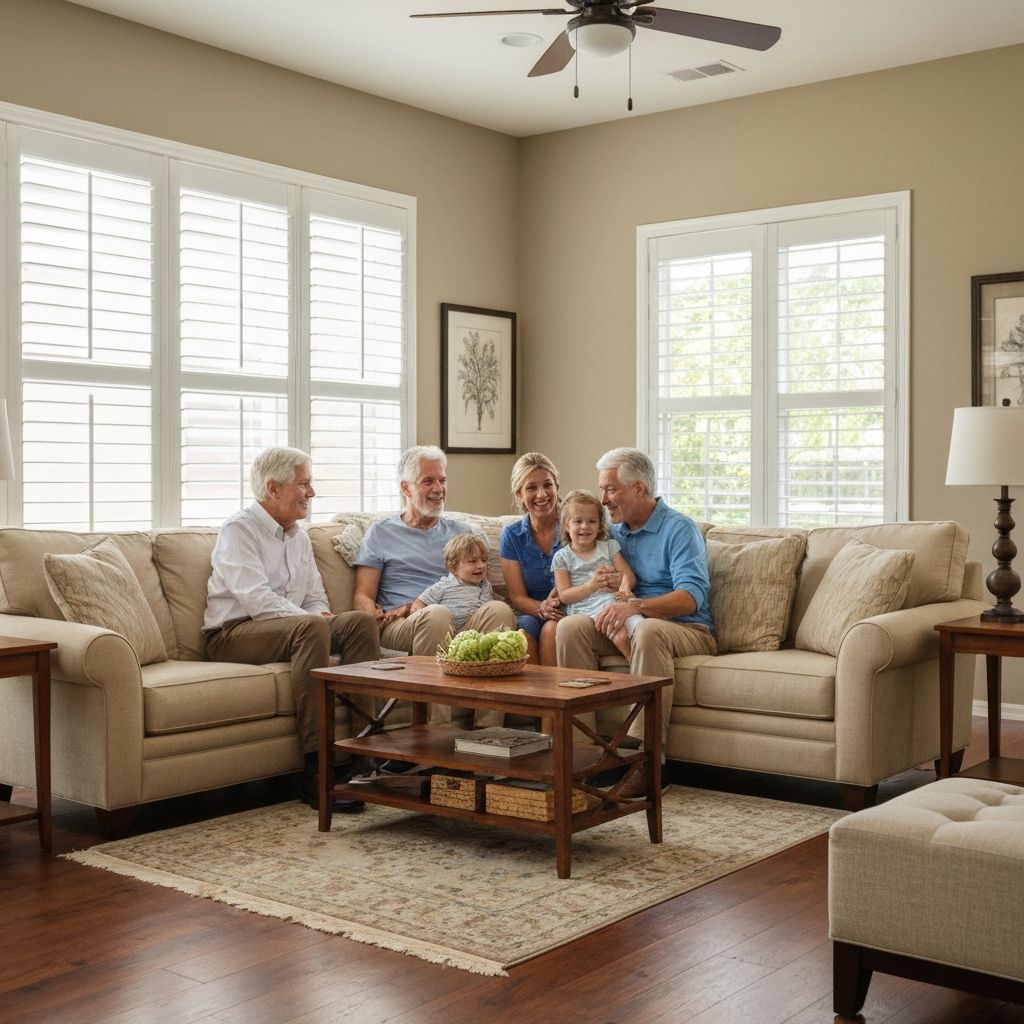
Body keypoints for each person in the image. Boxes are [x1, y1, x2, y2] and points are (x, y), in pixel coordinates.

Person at [203, 447, 380, 814]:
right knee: (312, 627)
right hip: (233, 634)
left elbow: (315, 595)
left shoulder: (299, 536)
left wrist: (320, 616)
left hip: (293, 627)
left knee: (360, 623)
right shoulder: (240, 530)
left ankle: (364, 754)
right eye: (304, 484)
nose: (311, 492)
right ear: (273, 488)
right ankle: (316, 769)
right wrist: (313, 620)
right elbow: (256, 600)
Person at [555, 447, 717, 798]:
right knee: (571, 628)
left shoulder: (679, 529)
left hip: (687, 628)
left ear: (639, 488)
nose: (603, 500)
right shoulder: (612, 535)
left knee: (646, 629)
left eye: (611, 489)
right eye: (602, 490)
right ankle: (585, 754)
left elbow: (691, 597)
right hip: (632, 621)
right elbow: (583, 572)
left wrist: (635, 606)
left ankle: (648, 764)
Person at [352, 445, 516, 721]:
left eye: (442, 480)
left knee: (500, 612)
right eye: (428, 481)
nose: (438, 488)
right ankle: (436, 733)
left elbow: (485, 586)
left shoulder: (464, 532)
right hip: (405, 623)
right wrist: (373, 615)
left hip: (462, 617)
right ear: (406, 488)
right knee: (437, 614)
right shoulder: (381, 533)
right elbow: (362, 595)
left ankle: (490, 734)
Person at [552, 489, 642, 660]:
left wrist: (624, 587)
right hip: (586, 609)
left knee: (640, 627)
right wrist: (592, 585)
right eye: (578, 521)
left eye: (591, 521)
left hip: (616, 601)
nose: (585, 526)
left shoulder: (609, 547)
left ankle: (643, 660)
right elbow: (564, 595)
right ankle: (633, 661)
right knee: (620, 634)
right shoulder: (562, 557)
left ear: (600, 525)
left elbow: (628, 576)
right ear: (566, 526)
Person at [499, 452, 564, 665]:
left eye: (547, 485)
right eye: (531, 488)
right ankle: (533, 698)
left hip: (571, 606)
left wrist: (555, 608)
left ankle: (555, 696)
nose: (542, 494)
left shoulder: (575, 526)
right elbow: (517, 596)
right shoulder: (512, 536)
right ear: (519, 495)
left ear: (557, 486)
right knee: (523, 632)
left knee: (551, 630)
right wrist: (541, 608)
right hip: (532, 610)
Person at [410, 532, 494, 631]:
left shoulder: (486, 586)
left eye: (484, 560)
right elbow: (417, 605)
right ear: (453, 567)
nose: (481, 566)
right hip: (446, 633)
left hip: (474, 633)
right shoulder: (444, 586)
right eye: (472, 561)